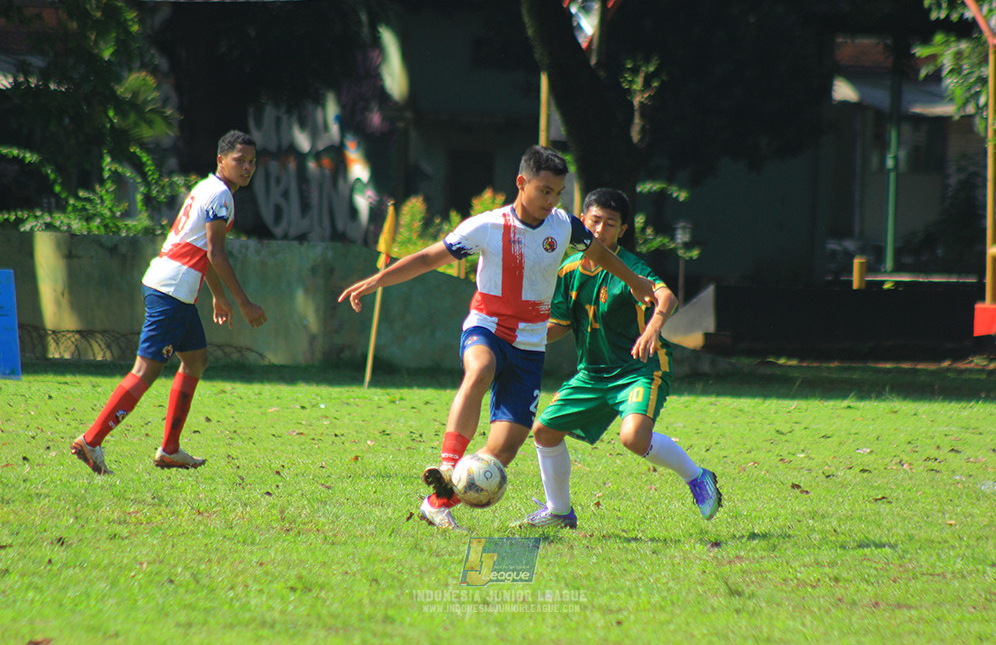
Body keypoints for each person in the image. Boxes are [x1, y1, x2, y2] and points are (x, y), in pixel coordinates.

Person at [339, 145, 656, 530]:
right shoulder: (487, 226)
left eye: (557, 192)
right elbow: (428, 258)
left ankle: (438, 502)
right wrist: (378, 279)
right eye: (544, 190)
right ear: (521, 183)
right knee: (481, 369)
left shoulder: (565, 226)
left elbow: (603, 255)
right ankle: (448, 463)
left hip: (530, 346)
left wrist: (635, 281)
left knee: (503, 450)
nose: (551, 200)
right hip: (487, 327)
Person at [512, 188, 722, 529]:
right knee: (545, 431)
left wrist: (654, 327)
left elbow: (665, 296)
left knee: (634, 438)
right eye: (594, 221)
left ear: (622, 230)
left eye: (610, 224)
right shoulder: (568, 271)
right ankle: (559, 512)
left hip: (639, 370)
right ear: (582, 221)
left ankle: (698, 477)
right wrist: (522, 333)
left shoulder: (629, 268)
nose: (600, 230)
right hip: (592, 374)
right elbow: (560, 326)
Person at [71, 130, 268, 475]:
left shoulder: (207, 188)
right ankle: (92, 440)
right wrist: (244, 302)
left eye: (252, 161)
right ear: (221, 160)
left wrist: (218, 296)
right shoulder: (221, 195)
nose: (248, 167)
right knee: (145, 371)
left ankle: (170, 450)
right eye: (240, 160)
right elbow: (215, 252)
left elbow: (200, 248)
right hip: (173, 291)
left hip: (175, 289)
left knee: (196, 360)